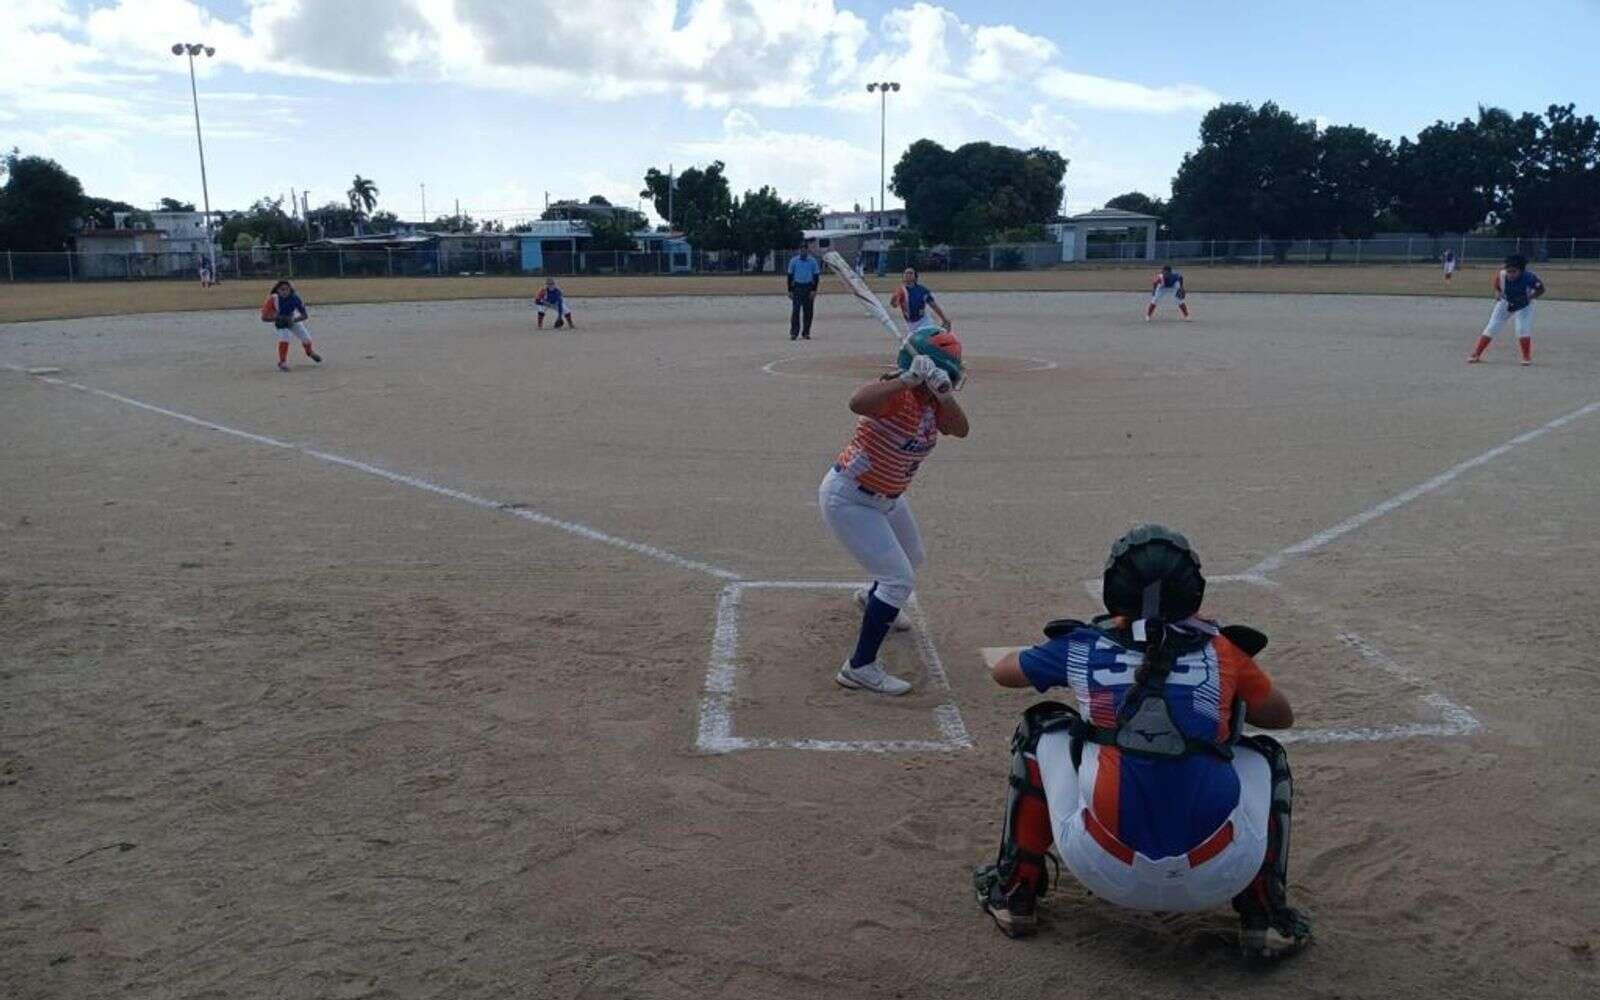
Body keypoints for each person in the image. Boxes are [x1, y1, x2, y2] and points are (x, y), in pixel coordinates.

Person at [973, 525, 1311, 962]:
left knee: (1042, 727)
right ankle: (1267, 916)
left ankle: (1014, 892)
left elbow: (1004, 672)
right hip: (1221, 872)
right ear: (1193, 593)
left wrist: (1089, 645)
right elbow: (1280, 716)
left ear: (1114, 591)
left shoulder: (1084, 646)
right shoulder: (1223, 650)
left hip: (1102, 866)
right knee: (1263, 754)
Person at [819, 329, 969, 694]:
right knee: (898, 579)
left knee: (912, 557)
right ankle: (859, 667)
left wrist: (943, 394)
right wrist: (907, 380)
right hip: (850, 498)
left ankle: (871, 599)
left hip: (888, 498)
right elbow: (857, 402)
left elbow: (960, 429)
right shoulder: (895, 395)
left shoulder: (933, 404)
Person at [1468, 254, 1545, 366]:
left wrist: (1530, 297)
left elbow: (1541, 289)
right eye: (1508, 271)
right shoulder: (1502, 275)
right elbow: (1497, 288)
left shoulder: (1530, 277)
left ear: (1521, 271)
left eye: (1514, 271)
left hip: (1524, 304)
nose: (1510, 274)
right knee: (1492, 326)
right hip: (1506, 301)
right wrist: (1497, 294)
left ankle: (1526, 356)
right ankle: (1476, 354)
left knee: (1522, 328)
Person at [263, 279, 322, 372]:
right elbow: (264, 318)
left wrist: (293, 320)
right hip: (280, 321)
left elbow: (304, 315)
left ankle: (309, 352)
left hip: (292, 318)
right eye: (282, 289)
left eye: (287, 289)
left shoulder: (295, 298)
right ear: (277, 290)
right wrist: (277, 319)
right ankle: (282, 362)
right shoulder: (273, 299)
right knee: (284, 338)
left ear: (290, 290)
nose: (284, 291)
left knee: (307, 339)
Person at [787, 244, 822, 340]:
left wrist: (814, 290)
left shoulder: (813, 261)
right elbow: (790, 276)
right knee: (796, 311)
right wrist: (790, 290)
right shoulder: (794, 261)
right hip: (797, 287)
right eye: (801, 250)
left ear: (807, 251)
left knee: (808, 311)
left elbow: (816, 276)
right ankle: (794, 333)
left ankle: (806, 333)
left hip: (808, 287)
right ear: (799, 251)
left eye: (805, 251)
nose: (803, 252)